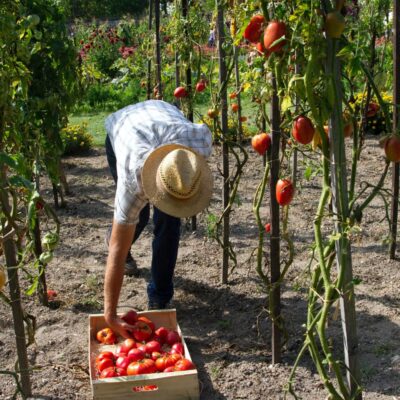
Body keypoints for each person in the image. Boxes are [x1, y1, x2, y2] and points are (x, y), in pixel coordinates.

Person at [103, 100, 213, 338]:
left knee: (169, 223)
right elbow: (116, 251)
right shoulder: (133, 179)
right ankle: (118, 234)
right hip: (123, 129)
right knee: (136, 219)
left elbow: (184, 177)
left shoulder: (198, 147)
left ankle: (160, 296)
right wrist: (110, 316)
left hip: (161, 113)